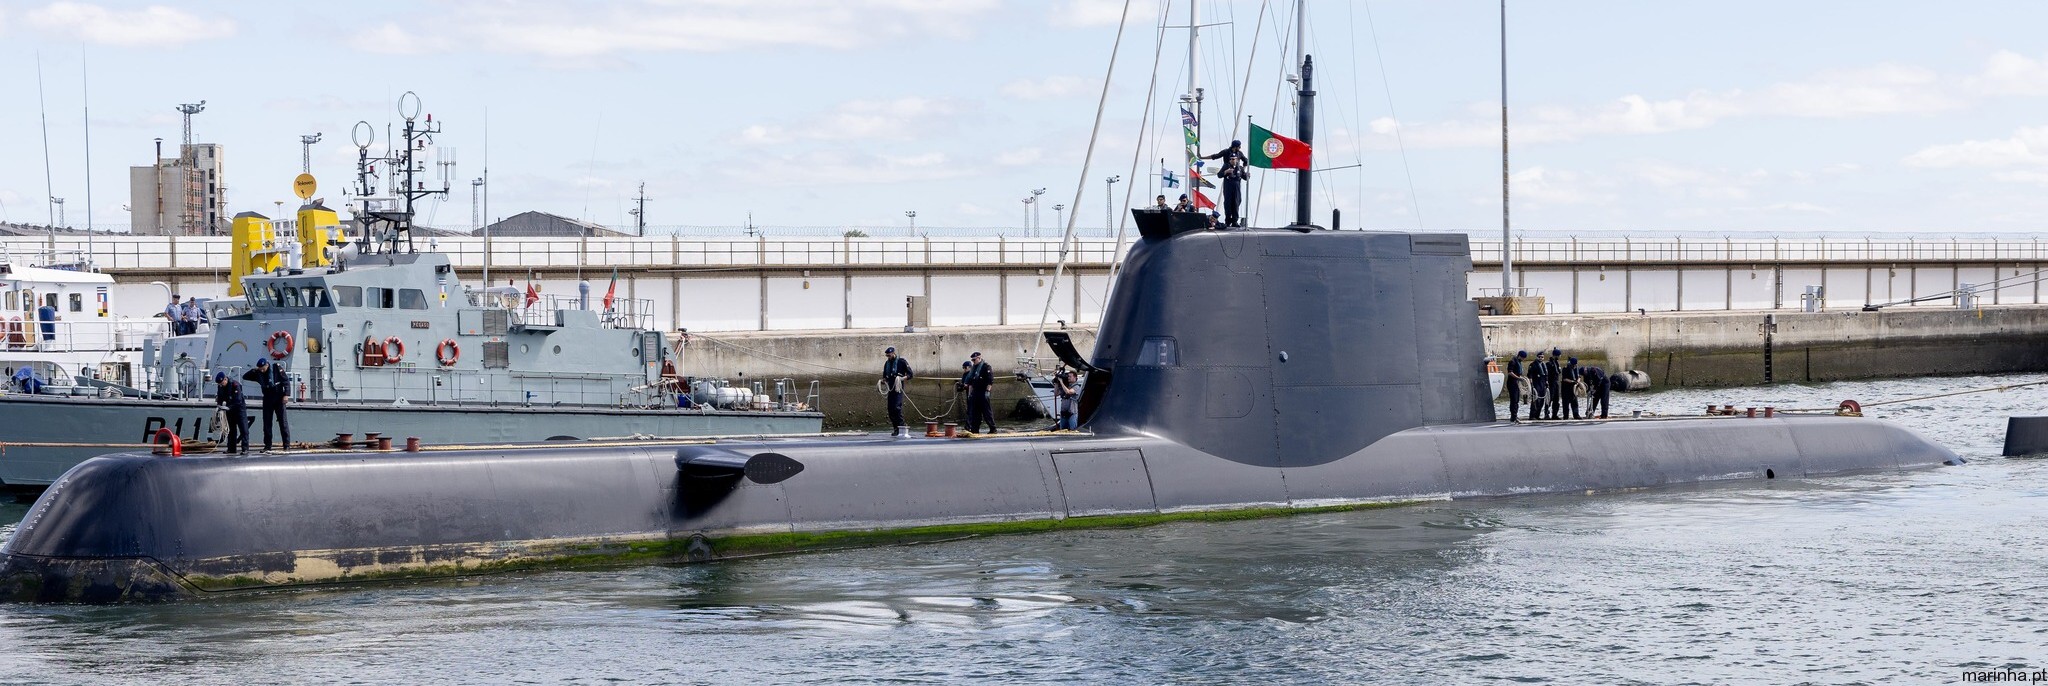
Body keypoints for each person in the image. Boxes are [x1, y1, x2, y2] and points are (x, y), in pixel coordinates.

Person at [243, 358, 291, 452]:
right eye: (260, 368)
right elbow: (245, 376)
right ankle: (267, 446)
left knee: (283, 422)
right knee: (267, 423)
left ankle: (286, 445)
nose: (261, 370)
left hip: (278, 397)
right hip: (267, 398)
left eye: (262, 368)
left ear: (267, 365)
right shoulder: (258, 373)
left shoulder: (276, 368)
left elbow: (285, 381)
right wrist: (254, 370)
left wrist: (286, 395)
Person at [1203, 140, 1249, 227]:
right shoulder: (1226, 161)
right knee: (1228, 203)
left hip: (1237, 186)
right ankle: (1228, 220)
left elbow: (1246, 162)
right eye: (1231, 159)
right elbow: (1216, 158)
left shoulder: (1239, 165)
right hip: (1228, 184)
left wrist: (1245, 172)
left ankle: (1235, 221)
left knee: (1236, 202)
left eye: (1235, 159)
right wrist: (1226, 172)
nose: (1233, 160)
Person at [881, 346, 914, 437]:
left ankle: (902, 427)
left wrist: (903, 378)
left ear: (893, 353)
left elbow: (910, 374)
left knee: (896, 408)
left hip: (898, 388)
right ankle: (895, 428)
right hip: (890, 389)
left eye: (889, 355)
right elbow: (885, 376)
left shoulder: (901, 362)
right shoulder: (887, 364)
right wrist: (883, 381)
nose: (888, 357)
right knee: (890, 409)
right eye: (887, 356)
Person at [215, 371, 249, 454]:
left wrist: (228, 407)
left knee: (244, 429)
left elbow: (238, 400)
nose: (221, 385)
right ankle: (231, 448)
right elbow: (220, 397)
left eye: (222, 383)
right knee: (231, 430)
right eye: (219, 384)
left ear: (225, 379)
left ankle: (245, 449)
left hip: (239, 409)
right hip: (229, 410)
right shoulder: (220, 386)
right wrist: (219, 406)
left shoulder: (235, 385)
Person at [964, 351, 996, 434]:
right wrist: (970, 394)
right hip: (975, 392)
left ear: (979, 358)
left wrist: (987, 391)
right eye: (972, 360)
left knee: (986, 411)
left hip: (983, 392)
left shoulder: (986, 367)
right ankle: (975, 429)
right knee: (975, 412)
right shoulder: (973, 369)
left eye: (974, 360)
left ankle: (992, 428)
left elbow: (990, 380)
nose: (973, 362)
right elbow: (971, 382)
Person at [1051, 363, 1078, 430]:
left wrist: (1061, 382)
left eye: (1070, 376)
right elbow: (1056, 393)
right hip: (1063, 414)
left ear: (1075, 378)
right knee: (1062, 431)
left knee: (1072, 431)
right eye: (1068, 376)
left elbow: (1068, 392)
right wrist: (1057, 383)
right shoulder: (1065, 387)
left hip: (1072, 414)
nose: (1068, 378)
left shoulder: (1076, 387)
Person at [1504, 351, 1529, 423]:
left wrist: (1521, 378)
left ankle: (1515, 415)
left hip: (1516, 383)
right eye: (1523, 358)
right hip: (1512, 383)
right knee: (1514, 400)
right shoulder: (1512, 362)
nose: (1523, 359)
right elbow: (1510, 372)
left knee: (1517, 400)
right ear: (1520, 356)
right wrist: (1518, 378)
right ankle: (1513, 416)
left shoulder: (1519, 362)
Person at [1544, 348, 1566, 420]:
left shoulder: (1556, 363)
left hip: (1556, 383)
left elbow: (1558, 372)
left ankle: (1554, 414)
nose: (1560, 357)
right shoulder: (1549, 364)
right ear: (1556, 355)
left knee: (1556, 400)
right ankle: (1546, 414)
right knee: (1549, 399)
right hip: (1551, 383)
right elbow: (1547, 375)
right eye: (1559, 355)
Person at [1528, 351, 1550, 420]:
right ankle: (1532, 416)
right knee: (1535, 400)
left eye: (1542, 357)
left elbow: (1546, 375)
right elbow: (1530, 375)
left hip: (1542, 384)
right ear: (1537, 357)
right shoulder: (1533, 364)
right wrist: (1531, 385)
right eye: (1539, 357)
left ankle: (1537, 415)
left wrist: (1546, 382)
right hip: (1536, 383)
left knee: (1542, 400)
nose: (1541, 358)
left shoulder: (1544, 365)